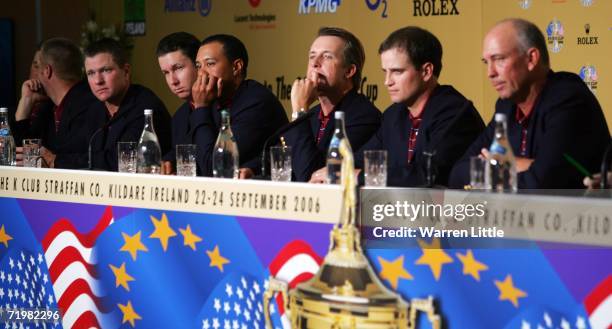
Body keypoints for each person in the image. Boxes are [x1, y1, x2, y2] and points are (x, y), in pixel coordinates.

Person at [449, 18, 610, 189]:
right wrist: (521, 166)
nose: (490, 72)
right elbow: (458, 174)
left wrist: (499, 167)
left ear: (531, 59)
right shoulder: (506, 107)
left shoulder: (568, 99)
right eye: (486, 62)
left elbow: (541, 184)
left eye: (499, 59)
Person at [351, 26, 484, 187]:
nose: (387, 81)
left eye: (397, 72)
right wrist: (338, 171)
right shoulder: (393, 115)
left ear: (426, 71)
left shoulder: (456, 114)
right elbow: (358, 161)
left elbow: (428, 175)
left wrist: (362, 176)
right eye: (385, 72)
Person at [285, 27, 381, 182]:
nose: (315, 64)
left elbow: (313, 177)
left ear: (349, 71)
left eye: (327, 57)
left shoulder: (364, 117)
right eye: (312, 56)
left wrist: (299, 111)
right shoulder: (312, 114)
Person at [191, 34, 288, 177]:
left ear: (236, 67)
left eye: (210, 64)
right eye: (198, 66)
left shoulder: (256, 102)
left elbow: (215, 169)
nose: (201, 73)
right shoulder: (214, 99)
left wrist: (201, 107)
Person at [84, 38, 172, 171]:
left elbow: (121, 161)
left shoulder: (145, 107)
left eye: (106, 70)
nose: (98, 81)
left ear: (126, 71)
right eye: (91, 73)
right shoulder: (94, 109)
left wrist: (59, 160)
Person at [13, 38, 99, 168]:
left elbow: (79, 159)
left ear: (47, 71)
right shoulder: (49, 109)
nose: (34, 73)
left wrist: (50, 160)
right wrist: (24, 106)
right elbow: (22, 158)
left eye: (37, 66)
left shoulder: (90, 105)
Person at [156, 32, 200, 175]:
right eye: (166, 73)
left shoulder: (226, 109)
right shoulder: (179, 117)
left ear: (198, 66)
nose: (173, 81)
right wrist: (168, 162)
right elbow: (176, 154)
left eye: (178, 68)